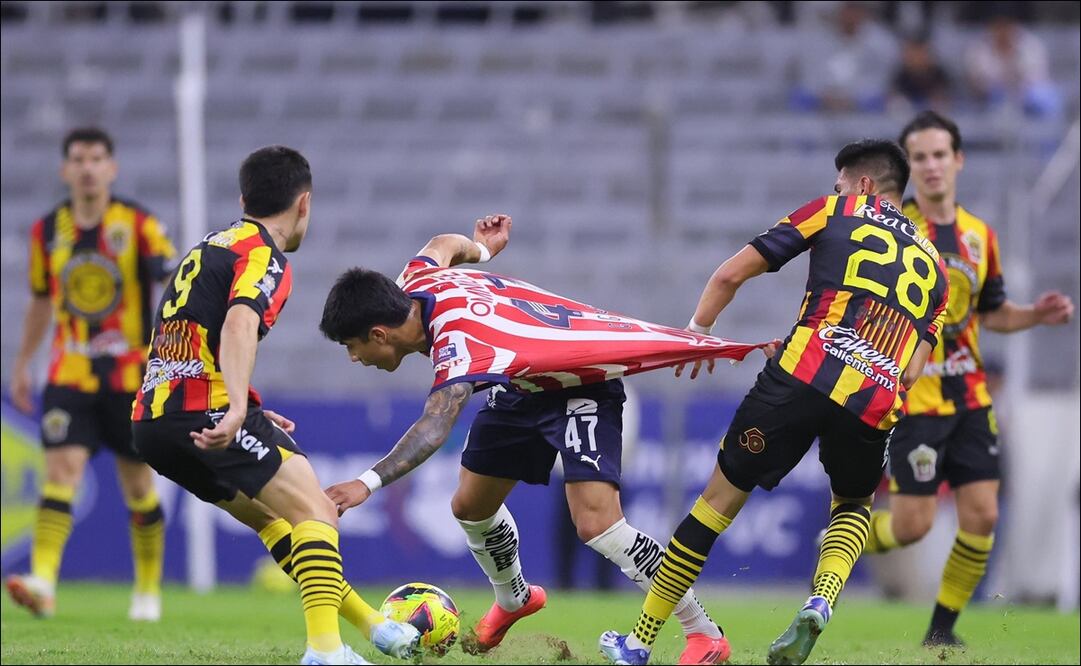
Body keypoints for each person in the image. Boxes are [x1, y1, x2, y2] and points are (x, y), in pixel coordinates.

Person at [319, 216, 768, 665]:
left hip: (580, 385)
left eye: (352, 347)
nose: (355, 358)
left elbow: (435, 425)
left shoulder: (460, 342)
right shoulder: (416, 279)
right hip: (521, 385)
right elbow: (442, 243)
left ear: (379, 334)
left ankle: (704, 633)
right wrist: (483, 251)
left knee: (597, 525)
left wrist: (366, 484)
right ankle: (514, 599)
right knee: (470, 506)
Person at [599, 139, 951, 666]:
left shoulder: (834, 210)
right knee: (853, 505)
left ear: (864, 185)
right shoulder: (938, 274)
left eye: (840, 183)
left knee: (715, 504)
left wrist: (697, 334)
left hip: (801, 373)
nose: (835, 190)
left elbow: (730, 273)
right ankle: (821, 599)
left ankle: (641, 642)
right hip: (874, 397)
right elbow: (915, 368)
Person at [128, 145, 419, 666]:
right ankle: (325, 652)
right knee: (317, 511)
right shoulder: (263, 254)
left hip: (154, 421)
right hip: (208, 409)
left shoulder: (209, 247)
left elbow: (193, 330)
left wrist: (251, 402)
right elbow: (239, 322)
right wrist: (238, 407)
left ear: (244, 198)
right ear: (303, 204)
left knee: (275, 521)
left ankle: (374, 626)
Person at [860, 111, 1074, 647]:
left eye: (939, 155)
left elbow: (993, 313)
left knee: (982, 516)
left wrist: (1035, 316)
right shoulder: (892, 232)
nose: (931, 166)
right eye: (919, 157)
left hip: (972, 399)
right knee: (913, 525)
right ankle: (846, 537)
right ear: (908, 167)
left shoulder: (980, 235)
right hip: (915, 401)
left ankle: (941, 630)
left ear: (958, 160)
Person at [6, 127, 176, 622]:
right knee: (60, 473)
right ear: (65, 170)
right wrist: (22, 362)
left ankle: (147, 590)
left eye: (96, 158)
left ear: (111, 167)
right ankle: (43, 580)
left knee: (139, 488)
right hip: (69, 371)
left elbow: (172, 286)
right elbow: (40, 301)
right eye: (78, 159)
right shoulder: (48, 232)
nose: (87, 167)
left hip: (131, 376)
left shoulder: (139, 224)